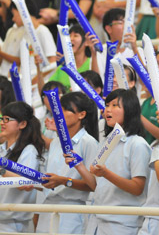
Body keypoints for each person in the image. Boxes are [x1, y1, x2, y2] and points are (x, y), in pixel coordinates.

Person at [88, 89, 151, 234]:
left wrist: (106, 173)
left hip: (122, 224)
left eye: (115, 105)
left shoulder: (137, 144)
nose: (107, 110)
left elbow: (137, 188)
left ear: (129, 110)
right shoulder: (105, 142)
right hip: (97, 220)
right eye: (107, 105)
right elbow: (95, 184)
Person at [36, 92, 99, 234]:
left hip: (71, 211)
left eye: (65, 109)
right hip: (48, 207)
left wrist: (64, 181)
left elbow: (93, 184)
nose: (59, 114)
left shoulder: (88, 143)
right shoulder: (56, 142)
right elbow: (50, 179)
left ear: (81, 115)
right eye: (59, 110)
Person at [0, 101, 46, 233]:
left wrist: (2, 170)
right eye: (2, 118)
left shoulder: (29, 151)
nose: (2, 122)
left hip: (15, 223)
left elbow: (24, 183)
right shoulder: (2, 149)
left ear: (22, 124)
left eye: (7, 119)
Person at [0, 0, 56, 77]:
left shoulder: (42, 31)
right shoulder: (24, 33)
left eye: (14, 15)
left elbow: (53, 62)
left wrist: (37, 80)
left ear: (22, 12)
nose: (13, 19)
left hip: (36, 83)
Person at [46, 25, 99, 91]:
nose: (71, 39)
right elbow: (47, 89)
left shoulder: (92, 62)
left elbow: (96, 84)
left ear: (86, 42)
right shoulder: (63, 67)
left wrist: (94, 54)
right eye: (69, 36)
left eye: (75, 35)